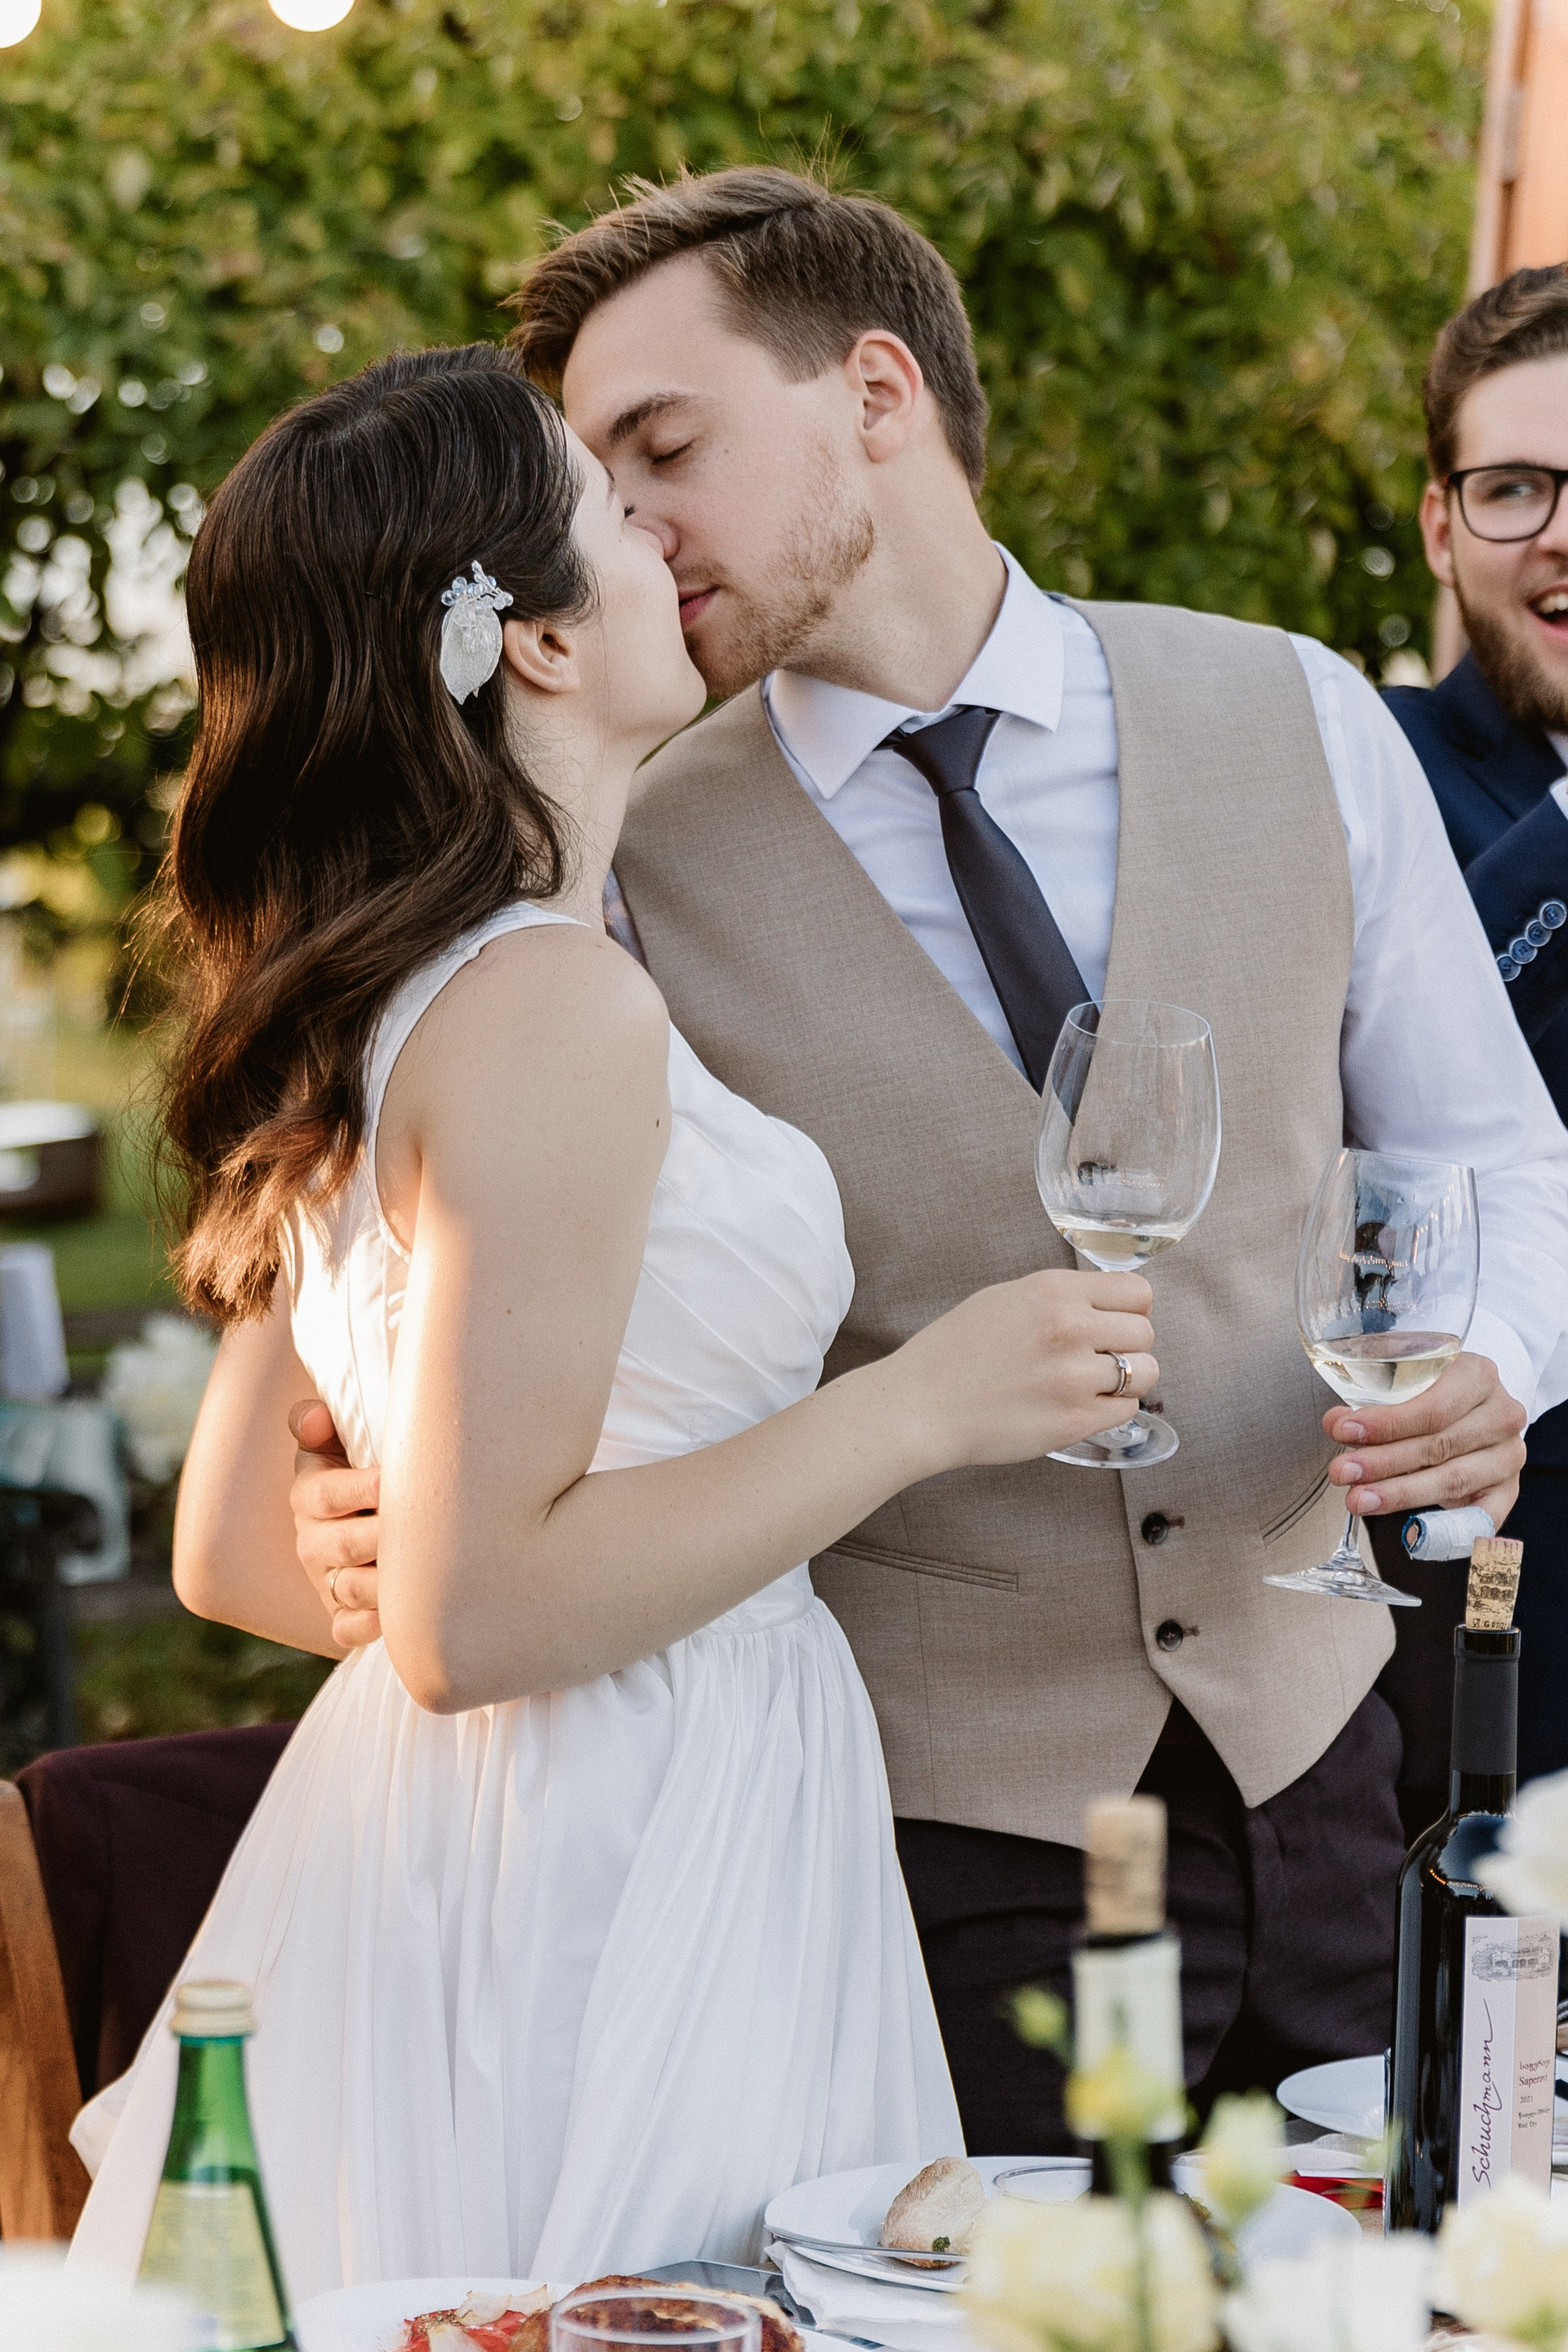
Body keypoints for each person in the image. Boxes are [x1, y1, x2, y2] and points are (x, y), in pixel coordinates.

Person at [291, 170, 1568, 2153]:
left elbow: (1503, 1162)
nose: (622, 528)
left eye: (665, 448)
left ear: (876, 390)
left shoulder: (1302, 715)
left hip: (1323, 1775)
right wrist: (355, 1506)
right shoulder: (616, 862)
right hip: (909, 1843)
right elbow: (479, 1331)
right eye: (598, 479)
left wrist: (1487, 1359)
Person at [67, 344, 1163, 2295]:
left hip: (444, 1844)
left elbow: (236, 1548)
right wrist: (919, 1405)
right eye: (612, 519)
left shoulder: (368, 995)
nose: (662, 542)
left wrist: (420, 1559)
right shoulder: (551, 1007)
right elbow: (480, 1621)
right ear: (540, 649)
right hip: (635, 1843)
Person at [1382, 262, 1568, 1793]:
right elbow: (1392, 1072)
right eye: (1514, 487)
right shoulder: (1369, 769)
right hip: (1510, 1582)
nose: (1563, 530)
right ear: (1441, 526)